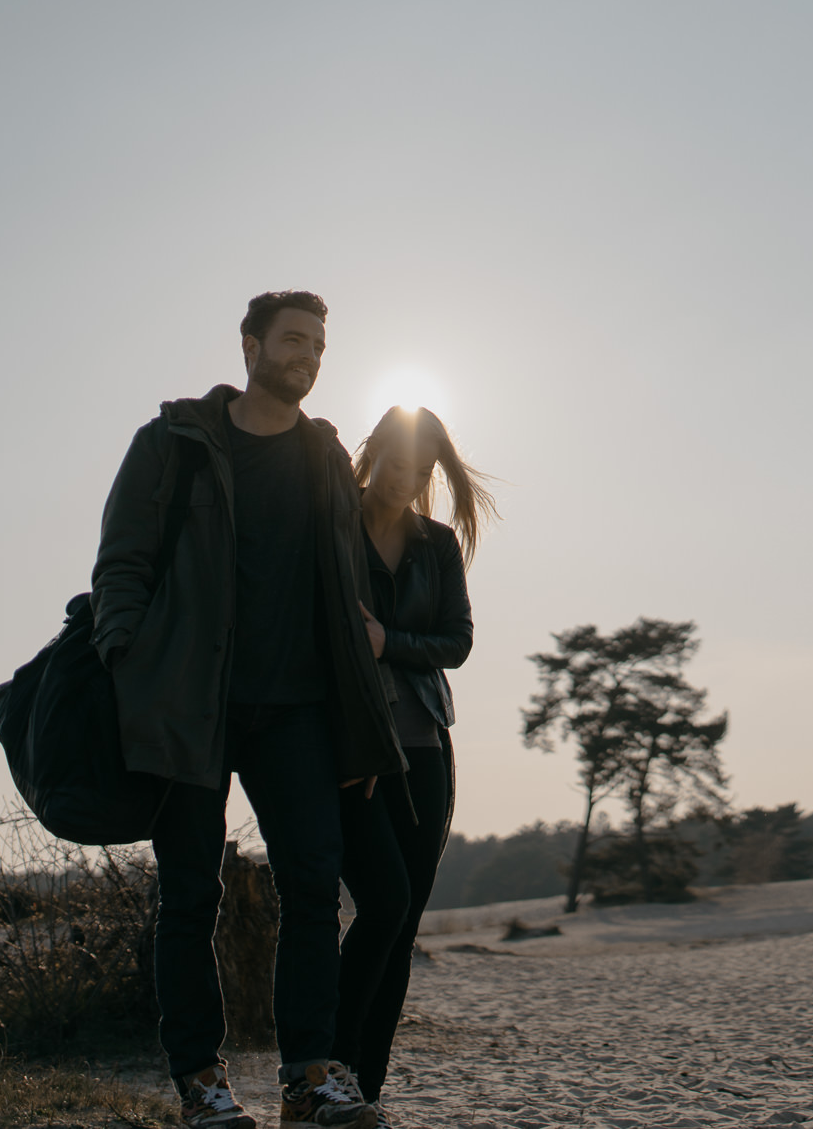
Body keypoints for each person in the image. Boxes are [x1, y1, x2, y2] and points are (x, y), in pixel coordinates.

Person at [91, 291, 402, 1129]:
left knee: (312, 887)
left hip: (297, 710)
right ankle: (201, 1084)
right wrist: (127, 660)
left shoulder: (324, 455)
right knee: (191, 897)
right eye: (293, 340)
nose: (307, 355)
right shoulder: (176, 444)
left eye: (319, 345)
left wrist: (362, 721)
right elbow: (121, 563)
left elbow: (344, 594)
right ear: (250, 346)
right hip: (192, 706)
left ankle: (309, 1076)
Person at [334, 406, 494, 1111]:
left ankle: (364, 1088)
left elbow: (455, 643)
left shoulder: (436, 546)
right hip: (351, 753)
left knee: (400, 929)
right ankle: (327, 1071)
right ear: (372, 456)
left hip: (425, 748)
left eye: (420, 471)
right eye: (395, 465)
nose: (404, 481)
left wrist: (388, 643)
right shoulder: (331, 529)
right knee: (383, 904)